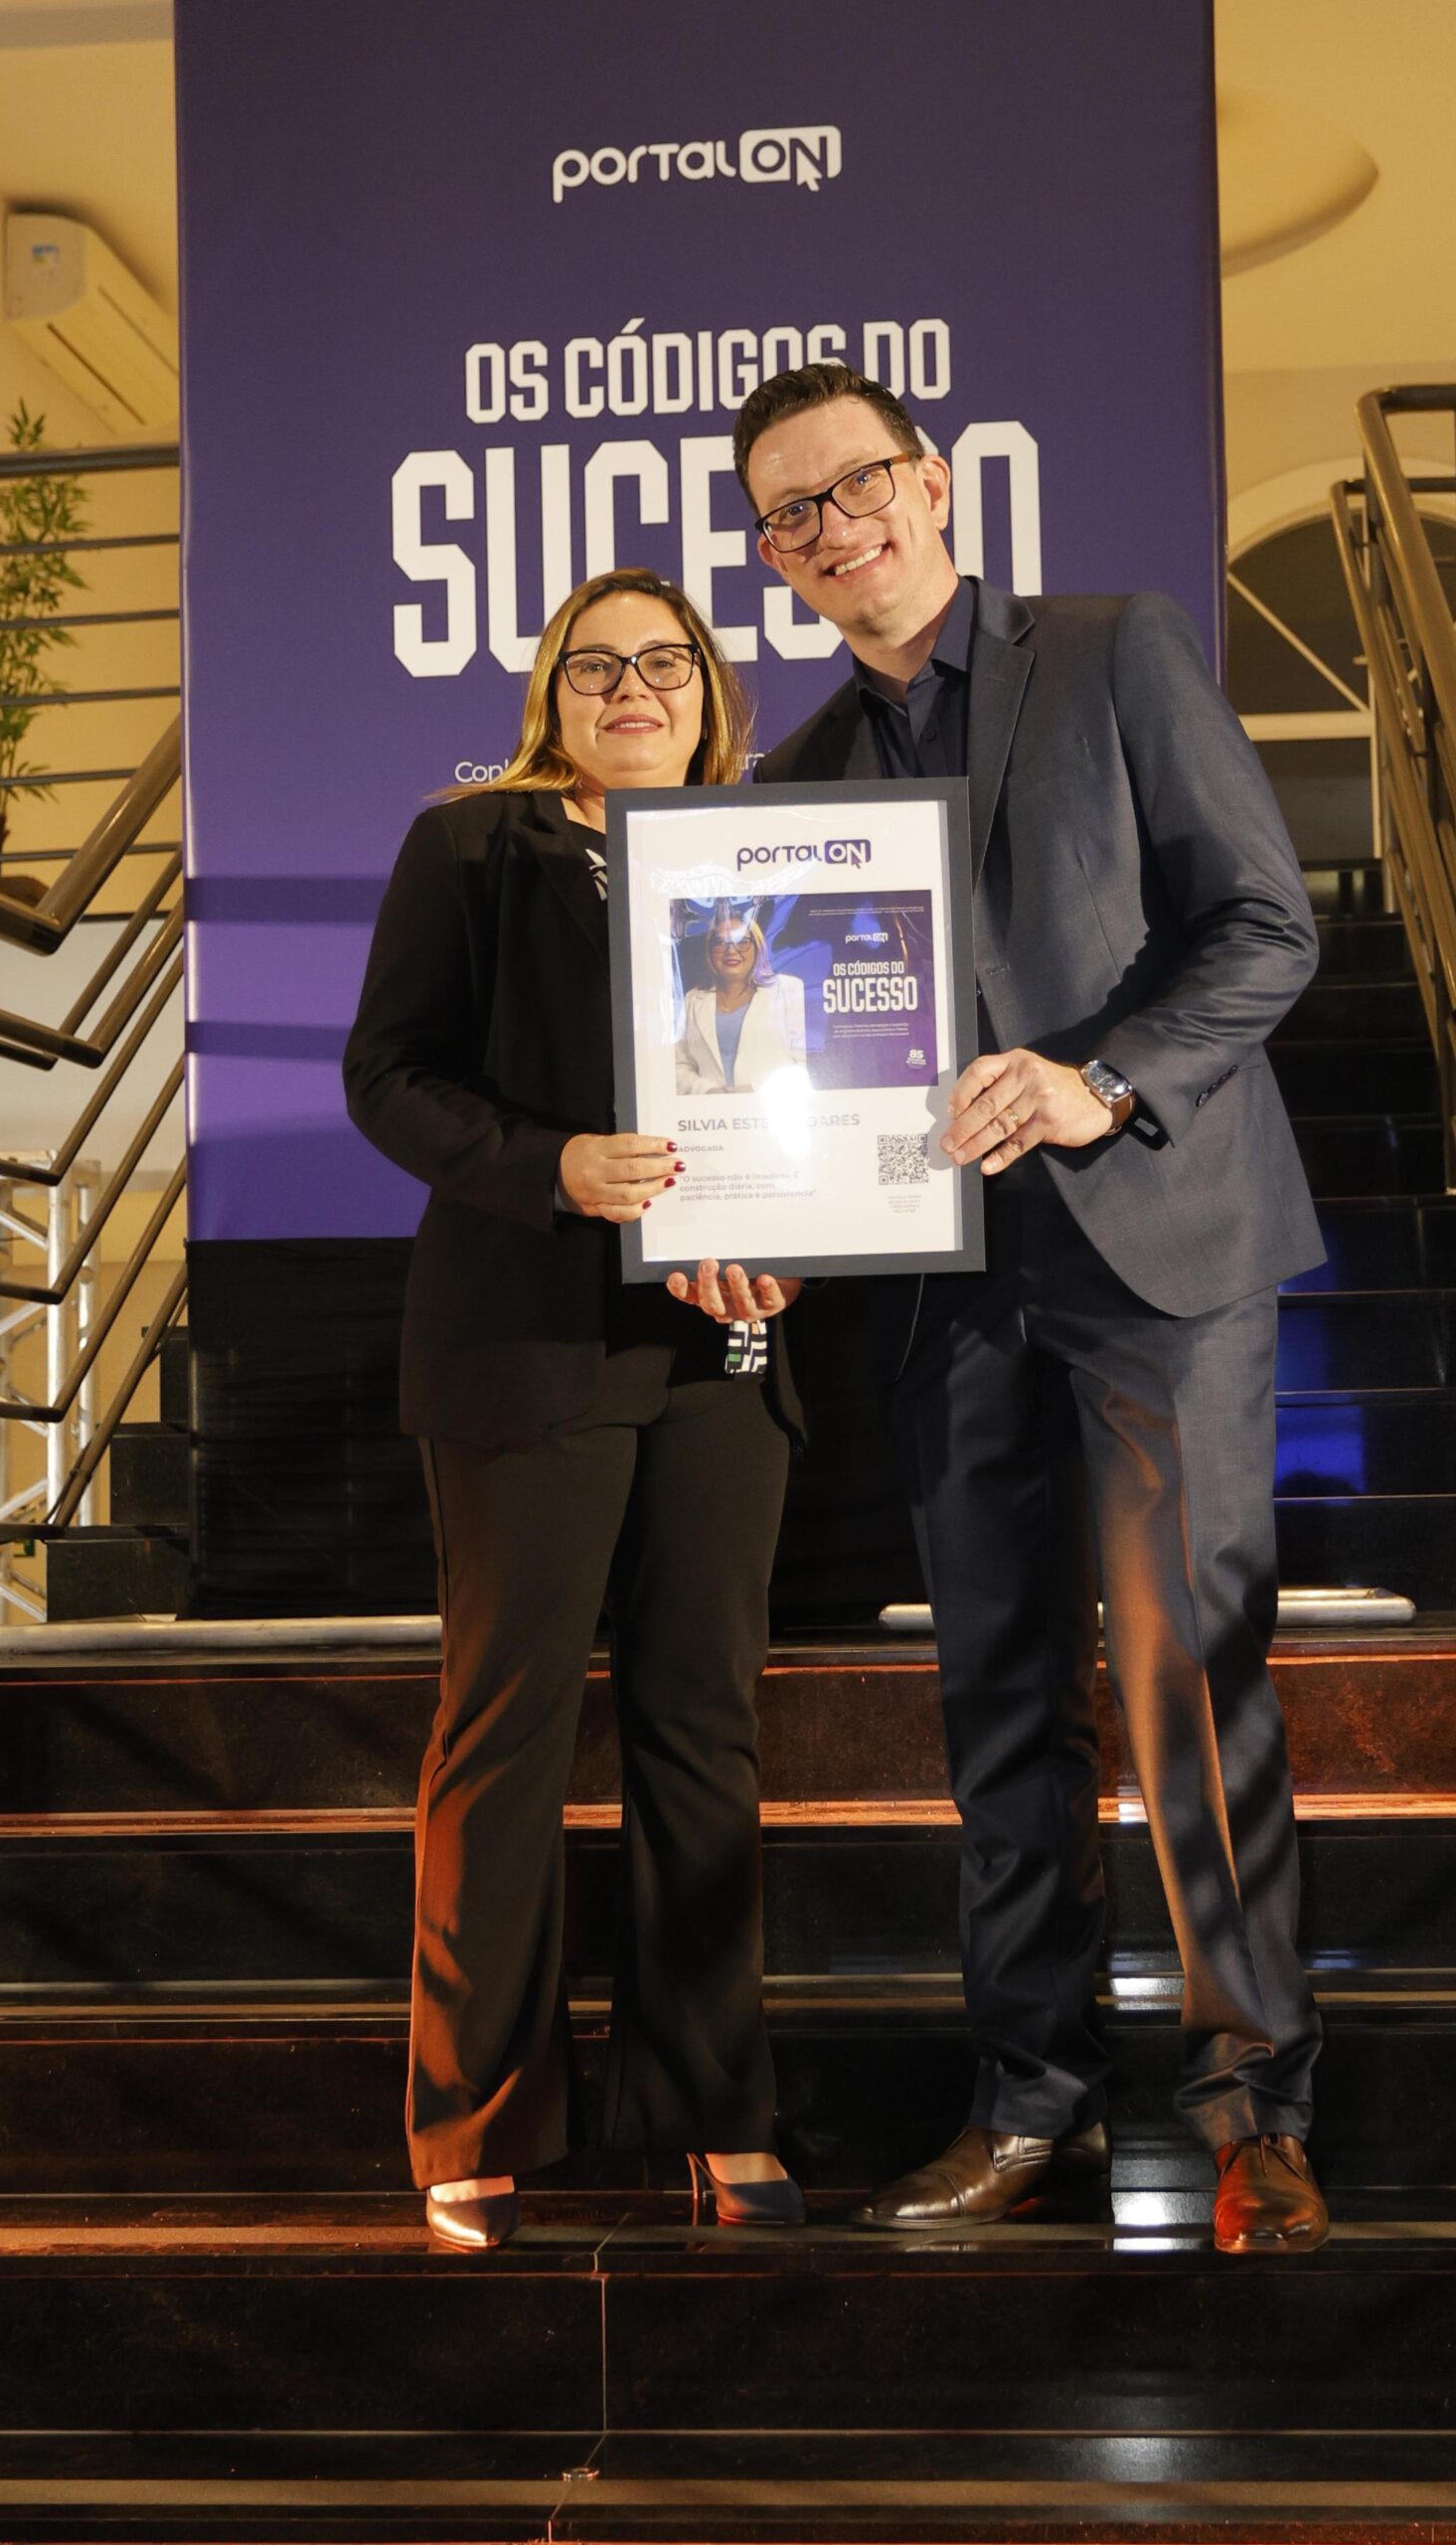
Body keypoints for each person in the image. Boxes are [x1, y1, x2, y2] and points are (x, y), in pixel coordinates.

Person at [734, 362, 1330, 2256]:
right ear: (778, 561)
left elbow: (1265, 925)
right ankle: (1031, 2104)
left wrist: (1101, 1078)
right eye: (789, 514)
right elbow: (784, 1071)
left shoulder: (1112, 650)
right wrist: (754, 1204)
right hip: (946, 1289)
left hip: (1162, 1247)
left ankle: (1253, 2110)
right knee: (998, 1699)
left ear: (930, 485)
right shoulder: (790, 789)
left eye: (853, 485)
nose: (831, 529)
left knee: (1186, 1685)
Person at [344, 568, 806, 2249]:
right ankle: (471, 2119)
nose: (631, 688)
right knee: (508, 1726)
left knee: (703, 1726)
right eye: (594, 664)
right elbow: (387, 1075)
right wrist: (551, 1168)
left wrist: (794, 1233)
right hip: (526, 1340)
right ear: (550, 692)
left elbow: (818, 1092)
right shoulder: (474, 845)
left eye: (663, 662)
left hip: (718, 1354)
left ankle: (713, 2107)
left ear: (710, 693)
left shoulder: (773, 861)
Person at [675, 907, 808, 1094]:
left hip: (768, 1108)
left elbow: (807, 1064)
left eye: (742, 942)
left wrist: (758, 1091)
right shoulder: (692, 999)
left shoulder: (790, 990)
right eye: (720, 943)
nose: (731, 951)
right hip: (710, 1110)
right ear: (710, 951)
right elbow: (679, 1065)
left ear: (757, 947)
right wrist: (706, 1090)